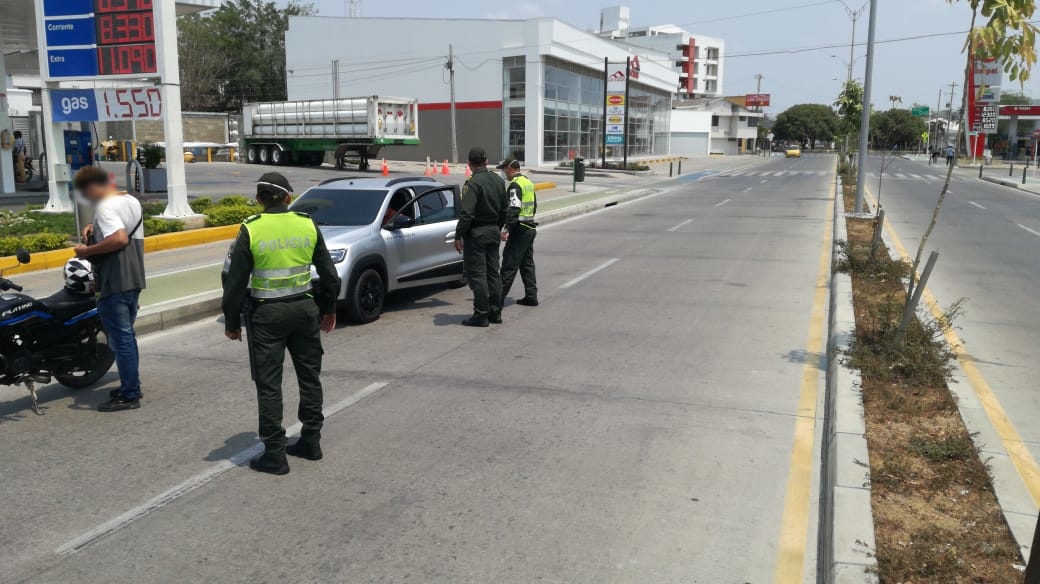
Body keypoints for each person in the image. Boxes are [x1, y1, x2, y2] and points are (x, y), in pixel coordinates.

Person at [222, 172, 341, 476]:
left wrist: (232, 322)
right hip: (304, 310)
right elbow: (330, 276)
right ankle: (311, 442)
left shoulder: (251, 229)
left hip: (267, 317)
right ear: (287, 198)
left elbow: (234, 283)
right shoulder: (306, 224)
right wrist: (328, 309)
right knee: (310, 377)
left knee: (269, 385)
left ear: (260, 199)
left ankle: (275, 454)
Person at [72, 166, 146, 412]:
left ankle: (129, 394)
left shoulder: (105, 207)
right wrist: (95, 229)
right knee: (127, 338)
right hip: (134, 278)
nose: (88, 199)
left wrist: (87, 251)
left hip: (115, 281)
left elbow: (119, 238)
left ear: (93, 186)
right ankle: (131, 385)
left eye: (86, 193)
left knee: (120, 340)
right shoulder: (130, 200)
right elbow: (120, 229)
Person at [454, 147, 508, 327]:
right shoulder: (498, 181)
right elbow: (504, 210)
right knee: (493, 273)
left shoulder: (473, 184)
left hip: (477, 234)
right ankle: (495, 313)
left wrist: (458, 235)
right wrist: (497, 228)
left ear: (469, 164)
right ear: (486, 161)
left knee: (477, 275)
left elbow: (467, 214)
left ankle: (481, 315)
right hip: (493, 231)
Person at [497, 157, 539, 307]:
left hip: (519, 229)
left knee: (509, 263)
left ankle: (496, 301)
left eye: (503, 169)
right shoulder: (527, 182)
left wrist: (506, 229)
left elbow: (513, 209)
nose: (503, 173)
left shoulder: (515, 185)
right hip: (530, 227)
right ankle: (531, 296)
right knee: (527, 263)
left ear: (509, 169)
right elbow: (534, 206)